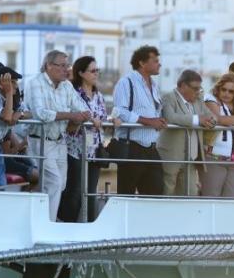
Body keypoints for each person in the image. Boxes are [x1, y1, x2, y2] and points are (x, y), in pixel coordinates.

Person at [25, 50, 92, 221]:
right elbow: (41, 113)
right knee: (54, 183)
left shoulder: (67, 86)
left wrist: (77, 120)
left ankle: (39, 219)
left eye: (67, 65)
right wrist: (71, 116)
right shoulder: (34, 83)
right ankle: (49, 225)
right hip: (40, 141)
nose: (67, 69)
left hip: (60, 141)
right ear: (48, 65)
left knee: (59, 185)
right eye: (62, 66)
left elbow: (84, 109)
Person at [112, 45, 168, 196]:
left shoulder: (154, 85)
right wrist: (150, 121)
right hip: (132, 147)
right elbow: (119, 111)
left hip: (151, 147)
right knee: (126, 195)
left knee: (155, 193)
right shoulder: (126, 82)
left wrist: (159, 120)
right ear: (142, 63)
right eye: (155, 60)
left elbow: (153, 112)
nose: (159, 64)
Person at [61, 56, 109, 222]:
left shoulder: (98, 95)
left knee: (91, 191)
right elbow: (70, 118)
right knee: (75, 190)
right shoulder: (73, 93)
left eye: (97, 70)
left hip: (95, 150)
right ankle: (67, 225)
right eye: (93, 70)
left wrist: (110, 120)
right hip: (75, 149)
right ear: (81, 73)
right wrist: (90, 120)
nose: (96, 73)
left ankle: (88, 227)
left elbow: (103, 117)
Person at [157, 70, 217, 197]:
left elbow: (213, 117)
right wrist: (197, 120)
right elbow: (170, 117)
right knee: (167, 193)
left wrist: (209, 121)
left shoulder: (198, 100)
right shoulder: (168, 97)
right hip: (171, 155)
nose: (198, 91)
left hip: (191, 158)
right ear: (183, 86)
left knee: (190, 195)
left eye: (199, 89)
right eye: (195, 88)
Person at [202, 73, 234, 197]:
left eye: (231, 91)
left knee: (232, 201)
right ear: (218, 88)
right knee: (211, 197)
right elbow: (218, 119)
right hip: (214, 158)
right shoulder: (211, 99)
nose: (227, 93)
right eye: (224, 89)